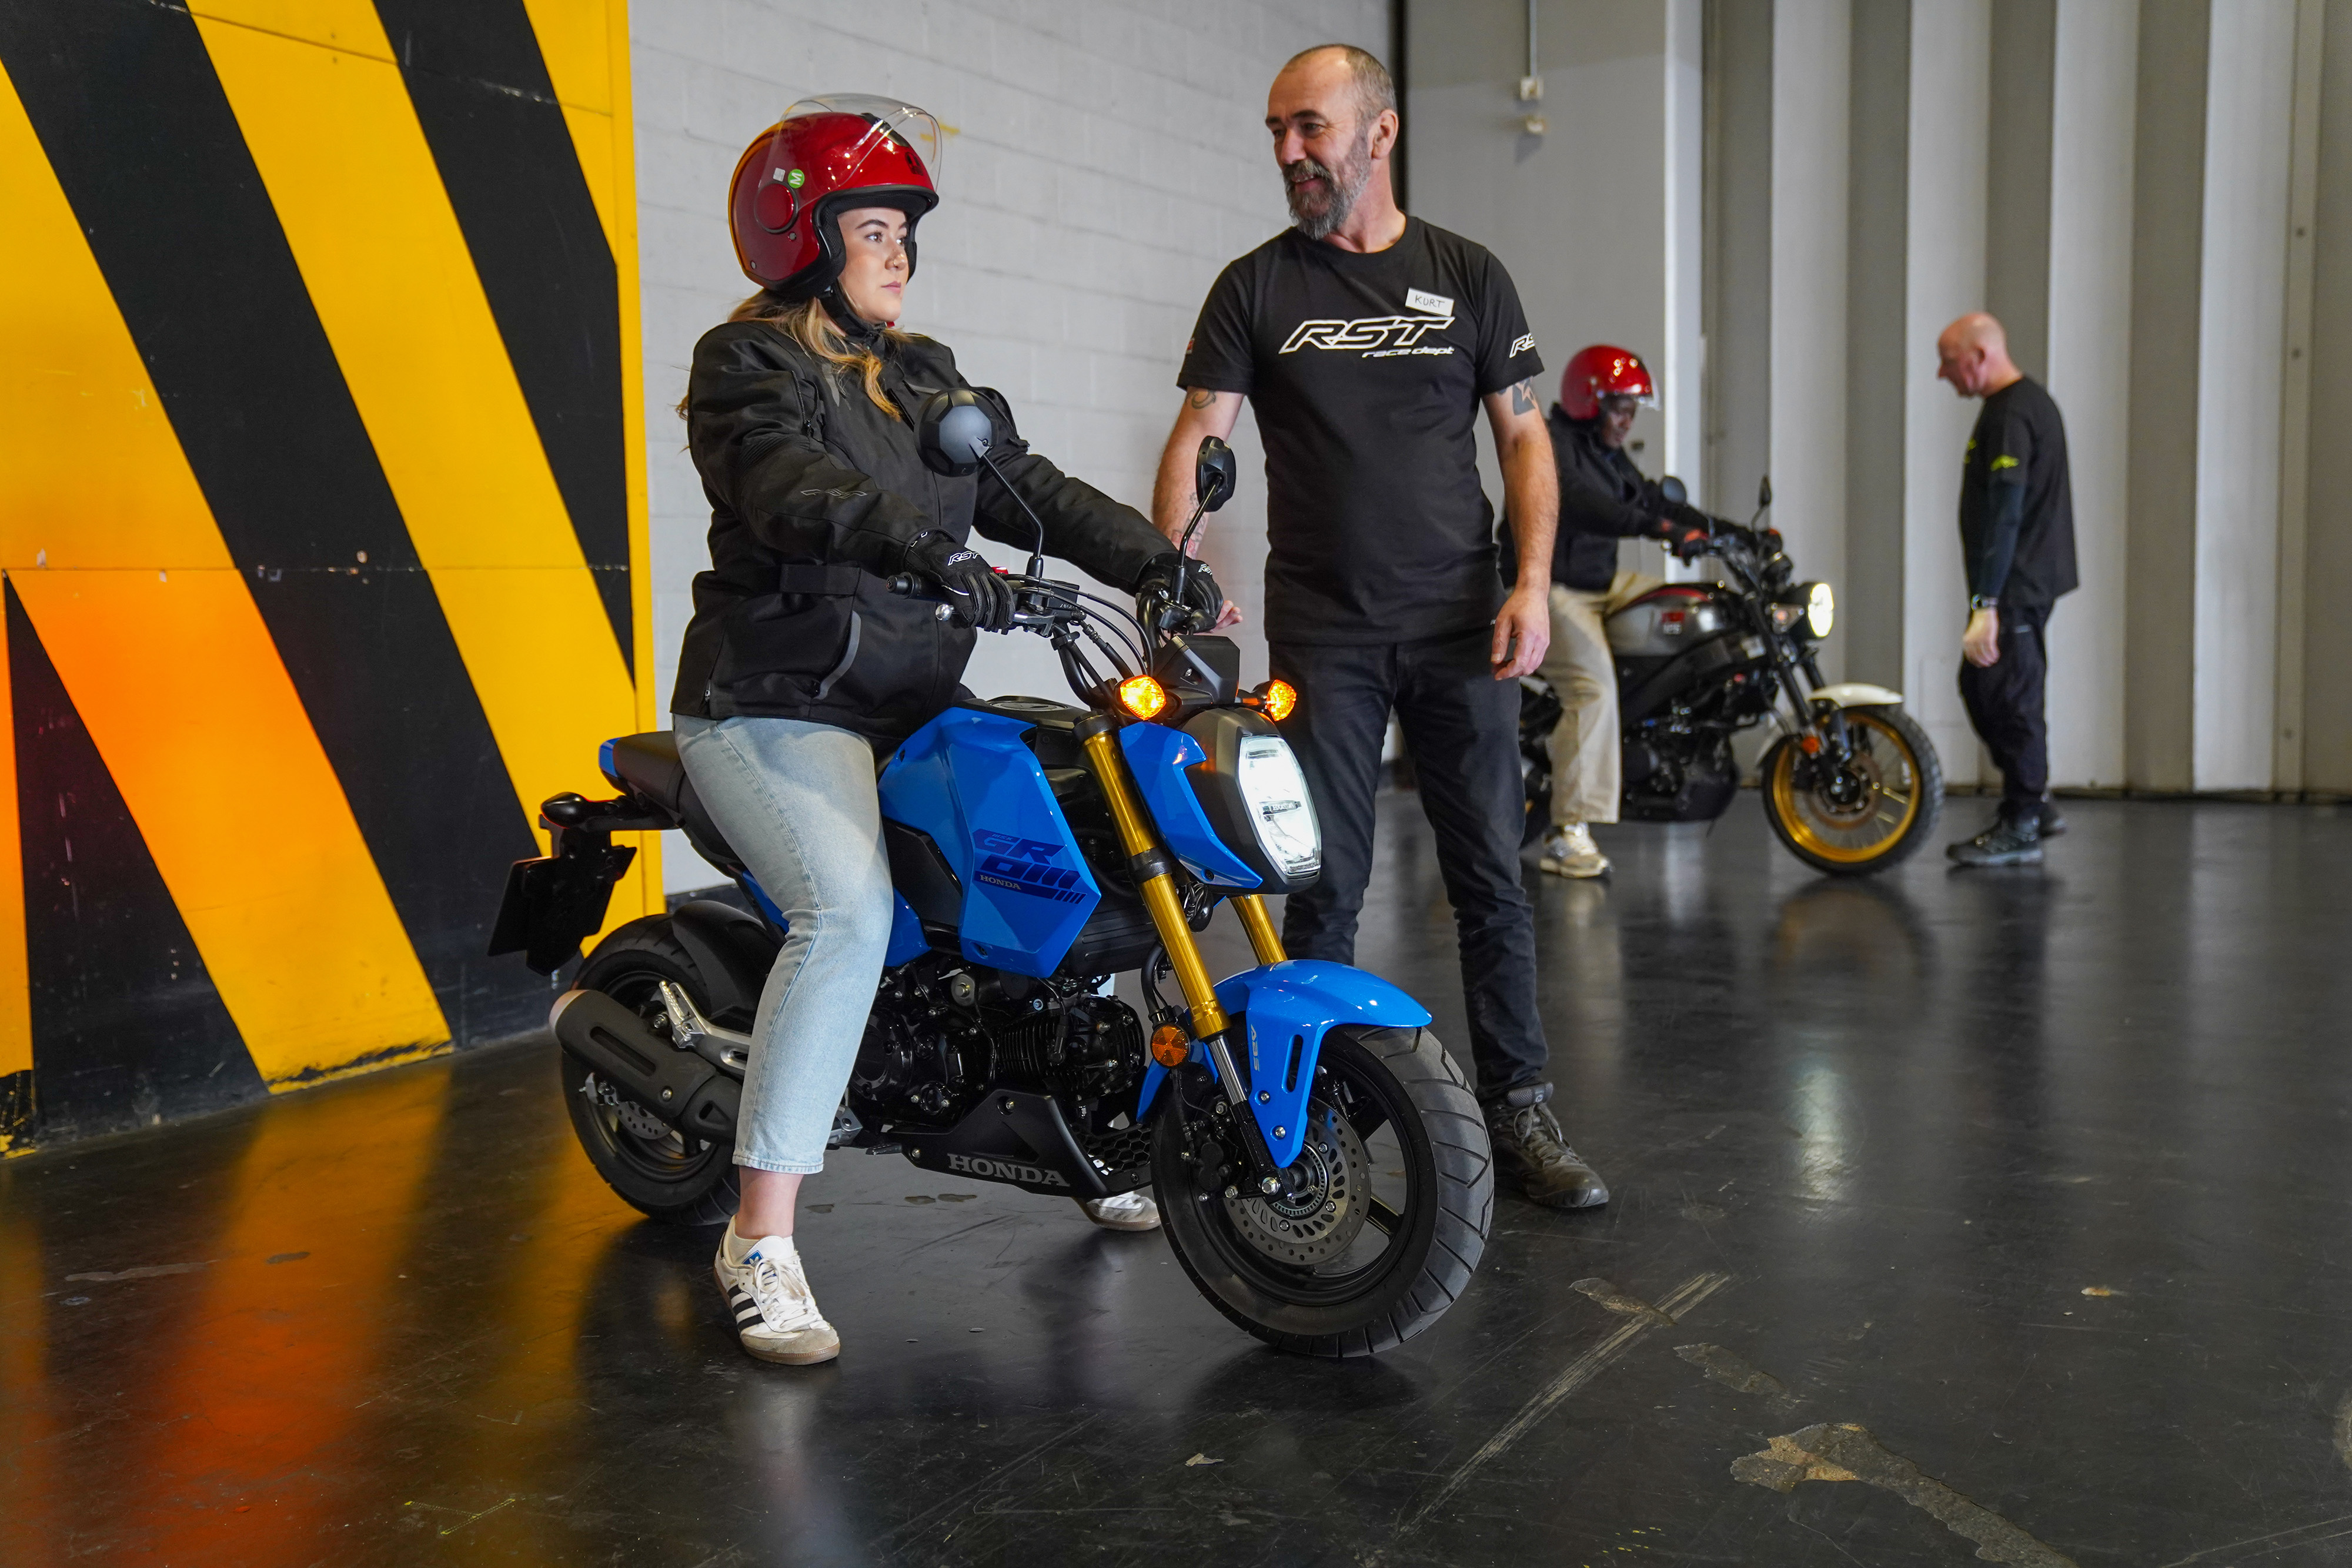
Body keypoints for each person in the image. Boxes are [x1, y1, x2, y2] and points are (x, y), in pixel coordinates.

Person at [674, 99, 1220, 1364]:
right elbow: (790, 486)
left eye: (905, 230)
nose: (899, 252)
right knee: (847, 914)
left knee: (1077, 843)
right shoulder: (746, 363)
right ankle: (759, 1237)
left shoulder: (925, 374)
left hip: (909, 704)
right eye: (871, 228)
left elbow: (1031, 490)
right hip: (775, 705)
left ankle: (1089, 1133)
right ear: (803, 238)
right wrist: (921, 544)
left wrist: (1154, 563)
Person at [1153, 45, 1608, 1210]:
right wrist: (1176, 571)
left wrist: (1530, 581)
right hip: (1327, 636)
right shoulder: (1256, 287)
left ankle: (1517, 1108)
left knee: (1490, 878)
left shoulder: (1466, 275)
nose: (1289, 151)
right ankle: (1313, 1117)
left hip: (1463, 625)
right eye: (1277, 131)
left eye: (1309, 126)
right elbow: (1201, 433)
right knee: (1324, 882)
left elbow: (1523, 437)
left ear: (1380, 132)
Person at [1529, 345, 1712, 879]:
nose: (1627, 419)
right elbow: (1587, 504)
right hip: (1552, 588)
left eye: (1633, 409)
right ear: (1588, 401)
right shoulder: (1555, 444)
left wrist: (1725, 532)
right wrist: (1658, 529)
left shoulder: (1607, 452)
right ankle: (1567, 832)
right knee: (1592, 689)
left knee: (1695, 609)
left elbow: (1651, 499)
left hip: (1602, 584)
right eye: (1619, 407)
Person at [1933, 312, 2077, 867]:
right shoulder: (2013, 406)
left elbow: (2006, 511)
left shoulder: (2015, 413)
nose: (1942, 373)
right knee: (1981, 686)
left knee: (2012, 698)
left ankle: (2023, 820)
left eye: (1950, 361)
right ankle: (2034, 804)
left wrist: (1986, 604)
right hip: (2019, 582)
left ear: (1980, 356)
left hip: (2017, 584)